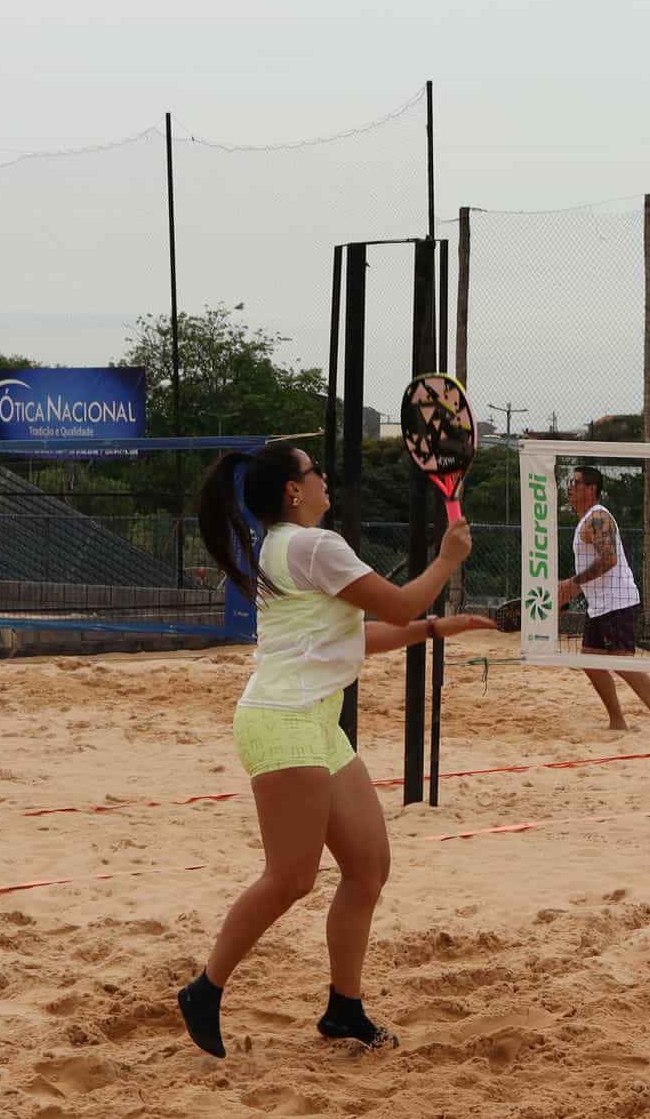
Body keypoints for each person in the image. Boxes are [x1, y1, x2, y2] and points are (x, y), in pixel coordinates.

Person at [175, 441, 493, 1059]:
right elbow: (400, 602)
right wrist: (447, 559)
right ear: (293, 490)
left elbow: (348, 638)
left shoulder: (283, 545)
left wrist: (433, 627)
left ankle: (344, 1008)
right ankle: (204, 989)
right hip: (284, 718)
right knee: (291, 877)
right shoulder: (312, 545)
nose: (325, 477)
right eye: (314, 469)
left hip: (315, 720)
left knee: (368, 868)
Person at [557, 465, 650, 739]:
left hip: (617, 603)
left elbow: (608, 559)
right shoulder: (586, 520)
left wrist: (573, 583)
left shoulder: (598, 518)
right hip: (600, 604)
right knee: (591, 660)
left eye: (575, 483)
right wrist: (571, 589)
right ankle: (617, 721)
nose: (569, 488)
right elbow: (592, 567)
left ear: (591, 489)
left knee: (623, 662)